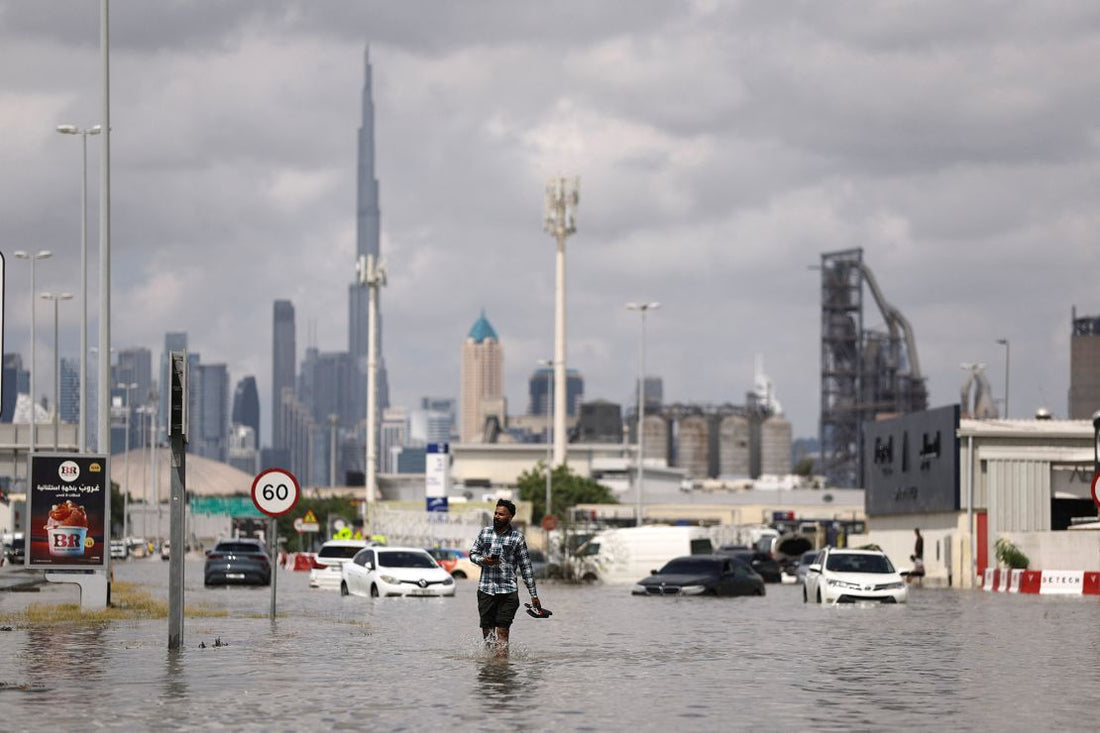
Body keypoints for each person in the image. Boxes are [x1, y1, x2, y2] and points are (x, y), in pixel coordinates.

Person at [469, 499, 542, 656]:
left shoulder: (517, 538)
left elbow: (526, 567)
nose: (496, 516)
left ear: (510, 517)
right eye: (495, 513)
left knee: (502, 632)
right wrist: (483, 560)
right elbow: (472, 554)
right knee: (488, 634)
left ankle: (501, 671)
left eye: (501, 514)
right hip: (485, 590)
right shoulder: (484, 533)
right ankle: (490, 668)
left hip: (508, 592)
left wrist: (533, 594)